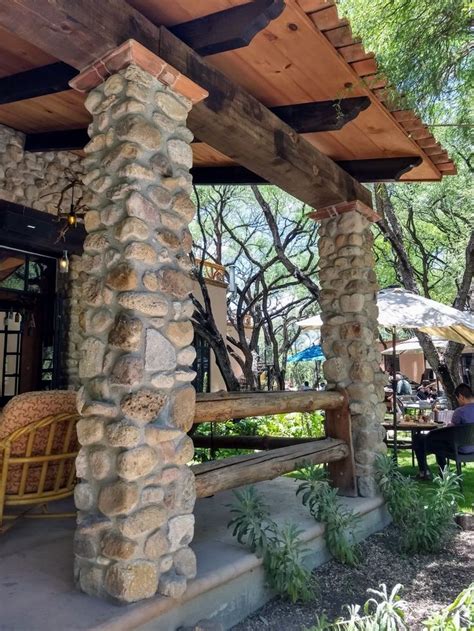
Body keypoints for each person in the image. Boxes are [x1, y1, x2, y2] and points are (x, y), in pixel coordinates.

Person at [413, 383, 474, 479]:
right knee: (438, 441)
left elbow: (451, 430)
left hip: (460, 448)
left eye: (457, 399)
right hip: (472, 447)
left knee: (419, 439)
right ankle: (442, 473)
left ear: (461, 397)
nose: (458, 402)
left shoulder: (460, 412)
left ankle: (425, 472)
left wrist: (446, 425)